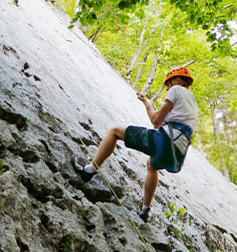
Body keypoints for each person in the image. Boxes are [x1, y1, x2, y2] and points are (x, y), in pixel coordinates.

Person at [70, 66, 198, 221]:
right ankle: (145, 210)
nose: (168, 88)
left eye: (168, 84)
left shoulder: (176, 89)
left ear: (177, 80)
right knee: (152, 165)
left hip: (166, 140)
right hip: (178, 151)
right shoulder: (192, 103)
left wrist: (147, 103)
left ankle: (88, 170)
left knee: (114, 132)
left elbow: (156, 121)